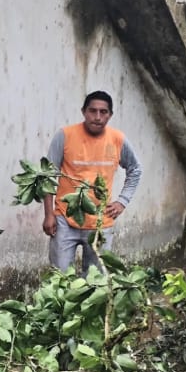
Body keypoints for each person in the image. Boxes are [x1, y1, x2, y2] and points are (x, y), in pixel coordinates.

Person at [42, 91, 142, 272]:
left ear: (110, 115)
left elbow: (135, 169)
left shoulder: (118, 139)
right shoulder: (65, 135)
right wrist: (49, 214)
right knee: (60, 276)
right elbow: (48, 176)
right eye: (92, 111)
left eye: (103, 112)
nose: (97, 117)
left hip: (100, 223)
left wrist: (122, 201)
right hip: (65, 219)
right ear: (83, 112)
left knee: (96, 280)